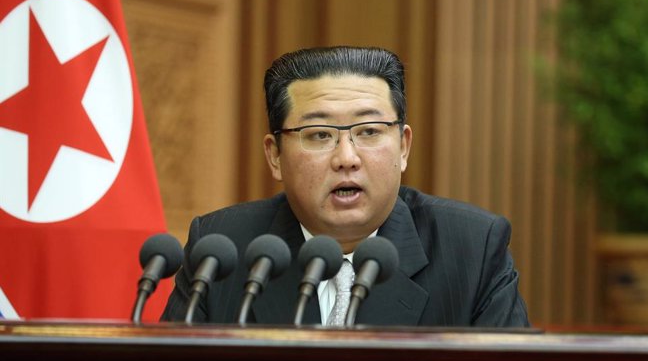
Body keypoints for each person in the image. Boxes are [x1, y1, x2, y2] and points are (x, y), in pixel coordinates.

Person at [161, 46, 529, 327]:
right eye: (319, 135)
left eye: (368, 132)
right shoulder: (221, 251)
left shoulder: (472, 249)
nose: (346, 158)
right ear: (275, 156)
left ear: (403, 147)